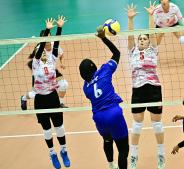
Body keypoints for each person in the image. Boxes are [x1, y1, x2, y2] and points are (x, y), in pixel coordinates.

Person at [79, 26, 129, 169]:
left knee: (107, 140)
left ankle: (110, 165)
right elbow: (117, 53)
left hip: (98, 118)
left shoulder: (85, 87)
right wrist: (103, 38)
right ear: (94, 67)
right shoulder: (105, 71)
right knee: (123, 149)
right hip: (113, 114)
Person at [124, 2, 165, 169]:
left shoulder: (152, 50)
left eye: (144, 38)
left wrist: (150, 16)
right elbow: (130, 35)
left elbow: (153, 32)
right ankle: (133, 156)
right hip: (138, 90)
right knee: (137, 125)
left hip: (154, 89)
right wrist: (130, 19)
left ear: (148, 42)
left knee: (157, 124)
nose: (141, 40)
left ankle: (161, 154)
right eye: (140, 39)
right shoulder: (132, 50)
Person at [32, 16, 70, 169]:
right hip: (41, 100)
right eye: (39, 52)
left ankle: (64, 151)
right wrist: (47, 30)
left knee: (60, 127)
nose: (41, 53)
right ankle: (53, 153)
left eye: (43, 52)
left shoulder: (52, 59)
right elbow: (41, 47)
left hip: (53, 97)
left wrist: (59, 28)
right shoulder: (36, 63)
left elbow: (56, 45)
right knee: (47, 130)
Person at [20, 29, 68, 110]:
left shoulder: (54, 45)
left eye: (49, 37)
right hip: (40, 74)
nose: (47, 40)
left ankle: (59, 103)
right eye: (45, 37)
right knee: (35, 95)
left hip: (52, 71)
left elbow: (61, 56)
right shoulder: (38, 49)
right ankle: (24, 98)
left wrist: (63, 63)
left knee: (64, 84)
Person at [153, 0, 184, 65]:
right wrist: (152, 33)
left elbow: (181, 19)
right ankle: (152, 59)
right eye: (161, 0)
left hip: (173, 24)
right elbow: (153, 23)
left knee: (183, 40)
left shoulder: (174, 7)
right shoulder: (156, 10)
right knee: (155, 44)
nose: (164, 1)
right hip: (161, 26)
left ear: (169, 0)